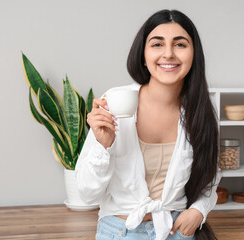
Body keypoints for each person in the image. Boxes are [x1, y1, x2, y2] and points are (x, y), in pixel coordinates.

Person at [76, 9, 221, 240]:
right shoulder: (115, 101)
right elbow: (86, 194)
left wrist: (198, 210)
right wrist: (103, 146)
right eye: (157, 44)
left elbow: (211, 176)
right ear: (143, 55)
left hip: (177, 231)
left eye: (180, 44)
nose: (169, 54)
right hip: (120, 232)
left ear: (194, 54)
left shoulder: (201, 111)